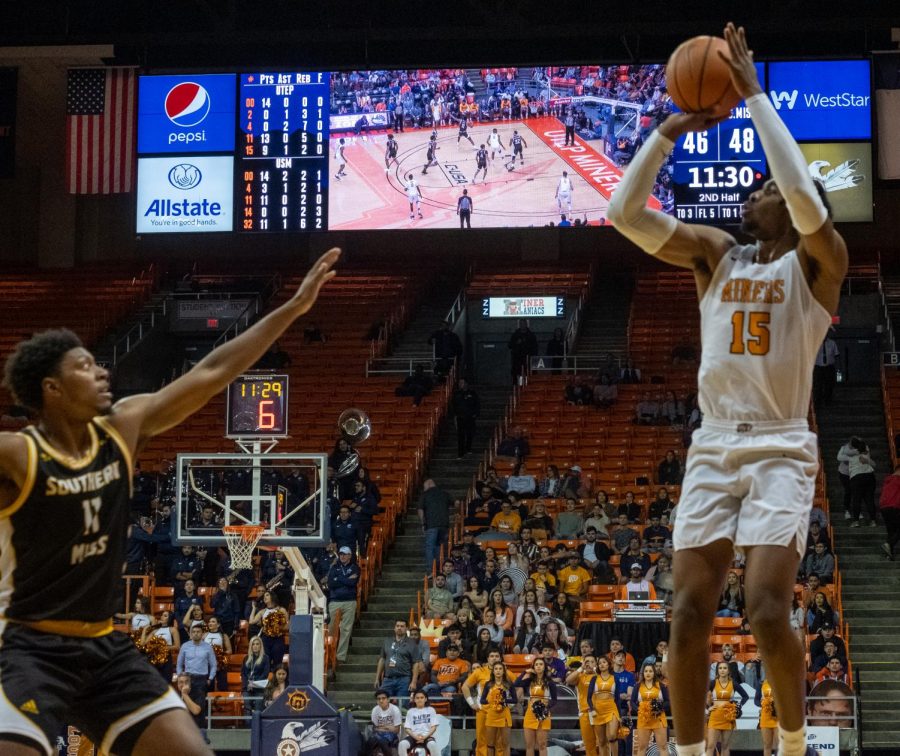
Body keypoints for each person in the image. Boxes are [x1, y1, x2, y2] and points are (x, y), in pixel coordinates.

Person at [607, 23, 848, 756]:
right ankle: (688, 752)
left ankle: (795, 741)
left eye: (770, 185)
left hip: (780, 445)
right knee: (684, 614)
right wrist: (667, 129)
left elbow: (807, 200)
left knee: (768, 611)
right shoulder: (714, 254)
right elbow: (623, 214)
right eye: (757, 186)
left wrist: (754, 95)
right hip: (713, 442)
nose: (758, 190)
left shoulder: (819, 261)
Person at [0, 250, 339, 755]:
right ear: (51, 389)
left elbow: (212, 371)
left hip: (103, 647)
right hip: (28, 647)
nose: (101, 373)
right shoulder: (18, 456)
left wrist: (290, 309)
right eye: (84, 367)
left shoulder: (123, 427)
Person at [462, 649, 506, 756]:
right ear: (487, 659)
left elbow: (518, 687)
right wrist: (471, 703)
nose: (494, 658)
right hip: (483, 710)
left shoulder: (505, 672)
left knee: (499, 740)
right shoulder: (479, 671)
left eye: (496, 656)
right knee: (481, 739)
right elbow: (465, 687)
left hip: (500, 711)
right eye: (492, 656)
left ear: (500, 658)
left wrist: (511, 704)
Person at [176, 621, 217, 729]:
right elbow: (179, 664)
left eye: (198, 632)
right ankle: (186, 729)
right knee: (186, 705)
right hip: (187, 679)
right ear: (190, 634)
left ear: (202, 634)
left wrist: (210, 678)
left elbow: (213, 665)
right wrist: (181, 678)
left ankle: (201, 732)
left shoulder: (208, 647)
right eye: (193, 632)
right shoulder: (185, 646)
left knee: (200, 708)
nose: (195, 634)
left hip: (201, 680)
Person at [375, 619, 422, 709]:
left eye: (402, 626)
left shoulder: (412, 643)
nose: (399, 628)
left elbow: (416, 663)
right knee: (382, 703)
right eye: (397, 626)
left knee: (402, 706)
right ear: (394, 628)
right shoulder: (387, 641)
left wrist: (414, 682)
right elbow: (382, 660)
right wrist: (377, 678)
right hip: (388, 679)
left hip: (404, 679)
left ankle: (402, 723)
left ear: (406, 628)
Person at [516, 658, 557, 756]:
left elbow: (555, 700)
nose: (538, 666)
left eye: (541, 664)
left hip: (543, 714)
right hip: (530, 714)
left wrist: (547, 705)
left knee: (542, 745)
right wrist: (525, 672)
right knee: (529, 745)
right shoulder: (530, 680)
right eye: (536, 664)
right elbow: (516, 683)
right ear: (533, 667)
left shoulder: (550, 682)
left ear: (544, 667)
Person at [705, 662, 748, 756]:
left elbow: (745, 696)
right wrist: (708, 708)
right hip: (715, 718)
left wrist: (738, 706)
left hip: (728, 718)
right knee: (710, 746)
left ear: (728, 671)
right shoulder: (712, 683)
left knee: (725, 746)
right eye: (720, 668)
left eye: (724, 668)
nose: (722, 670)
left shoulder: (733, 683)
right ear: (717, 670)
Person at [327, 545, 360, 663]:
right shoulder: (333, 567)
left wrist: (338, 579)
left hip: (349, 601)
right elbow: (330, 583)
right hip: (335, 601)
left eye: (345, 554)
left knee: (346, 629)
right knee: (330, 628)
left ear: (350, 556)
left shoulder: (355, 568)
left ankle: (340, 656)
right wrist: (346, 579)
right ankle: (329, 653)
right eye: (341, 554)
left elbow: (353, 583)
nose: (342, 556)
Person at [479, 661, 517, 756]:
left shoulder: (508, 684)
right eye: (496, 669)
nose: (498, 671)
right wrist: (491, 701)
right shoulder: (488, 684)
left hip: (504, 714)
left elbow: (515, 700)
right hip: (492, 715)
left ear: (504, 671)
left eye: (500, 669)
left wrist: (503, 701)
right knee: (490, 744)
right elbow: (482, 700)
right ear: (493, 671)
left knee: (505, 744)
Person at [632, 663, 669, 756]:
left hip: (658, 718)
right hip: (643, 719)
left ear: (654, 673)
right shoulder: (637, 686)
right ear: (643, 673)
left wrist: (659, 708)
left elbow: (668, 702)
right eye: (646, 671)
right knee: (641, 747)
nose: (648, 673)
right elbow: (632, 702)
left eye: (650, 671)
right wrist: (640, 711)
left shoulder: (661, 685)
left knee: (663, 747)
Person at [586, 656, 620, 756]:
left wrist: (620, 716)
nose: (602, 664)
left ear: (608, 664)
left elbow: (617, 699)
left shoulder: (615, 678)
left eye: (604, 662)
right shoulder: (594, 678)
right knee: (601, 741)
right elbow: (588, 698)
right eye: (600, 663)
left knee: (612, 736)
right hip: (598, 710)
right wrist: (592, 709)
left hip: (611, 709)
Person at [419, 479, 454, 570]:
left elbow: (420, 509)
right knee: (439, 547)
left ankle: (432, 570)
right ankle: (439, 569)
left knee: (430, 547)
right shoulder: (444, 494)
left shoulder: (425, 495)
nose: (424, 489)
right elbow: (455, 503)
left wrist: (423, 523)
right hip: (444, 525)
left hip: (431, 525)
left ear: (429, 484)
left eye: (424, 486)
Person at [845, 437, 877, 527]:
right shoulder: (866, 449)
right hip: (869, 476)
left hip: (857, 477)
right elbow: (862, 445)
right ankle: (873, 521)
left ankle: (856, 521)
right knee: (869, 499)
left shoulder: (850, 453)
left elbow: (842, 454)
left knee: (856, 500)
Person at [398, 689, 440, 756]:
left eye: (422, 697)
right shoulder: (410, 711)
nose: (419, 700)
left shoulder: (431, 710)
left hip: (427, 736)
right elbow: (407, 729)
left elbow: (434, 727)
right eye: (417, 698)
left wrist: (424, 737)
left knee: (433, 745)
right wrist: (415, 737)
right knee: (402, 744)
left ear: (425, 699)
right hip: (413, 736)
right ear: (414, 699)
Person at [369, 689, 403, 756]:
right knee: (369, 742)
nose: (381, 701)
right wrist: (389, 727)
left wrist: (384, 727)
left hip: (393, 735)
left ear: (388, 699)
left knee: (382, 741)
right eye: (379, 699)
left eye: (383, 698)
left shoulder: (395, 709)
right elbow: (375, 728)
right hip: (379, 733)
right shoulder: (375, 710)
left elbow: (396, 730)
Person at [241, 636, 270, 712]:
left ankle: (257, 723)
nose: (255, 646)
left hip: (259, 688)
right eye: (253, 644)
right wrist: (247, 684)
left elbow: (265, 674)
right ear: (251, 646)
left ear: (261, 646)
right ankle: (248, 723)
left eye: (257, 644)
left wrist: (254, 684)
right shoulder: (246, 658)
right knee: (247, 706)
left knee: (258, 707)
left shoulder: (265, 658)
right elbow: (243, 673)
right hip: (247, 688)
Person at [452, 379, 480, 458]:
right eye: (459, 383)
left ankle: (468, 448)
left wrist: (475, 414)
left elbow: (477, 404)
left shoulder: (472, 393)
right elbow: (454, 406)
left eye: (462, 383)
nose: (460, 384)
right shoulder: (457, 394)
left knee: (469, 434)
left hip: (470, 417)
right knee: (460, 436)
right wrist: (455, 416)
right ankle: (460, 453)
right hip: (460, 417)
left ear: (466, 384)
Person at [813, 330, 839, 408]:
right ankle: (818, 402)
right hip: (818, 366)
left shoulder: (832, 343)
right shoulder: (815, 343)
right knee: (818, 385)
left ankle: (828, 401)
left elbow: (836, 354)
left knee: (829, 384)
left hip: (829, 367)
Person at [879, 461, 900, 559]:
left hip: (884, 508)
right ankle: (889, 544)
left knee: (891, 531)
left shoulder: (888, 480)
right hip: (895, 507)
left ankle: (889, 554)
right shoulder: (898, 480)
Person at [755, 674, 778, 756]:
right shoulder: (761, 683)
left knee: (780, 745)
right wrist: (762, 703)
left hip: (778, 717)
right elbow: (756, 700)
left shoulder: (781, 683)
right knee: (767, 745)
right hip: (765, 716)